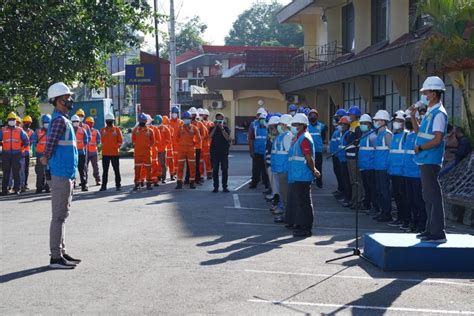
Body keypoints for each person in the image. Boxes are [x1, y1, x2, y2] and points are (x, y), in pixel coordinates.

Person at [40, 82, 80, 269]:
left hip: (66, 173)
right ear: (57, 101)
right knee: (58, 216)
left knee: (62, 215)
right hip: (61, 174)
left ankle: (61, 252)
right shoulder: (59, 121)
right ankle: (55, 257)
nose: (69, 100)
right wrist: (45, 159)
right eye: (66, 97)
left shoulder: (63, 120)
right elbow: (49, 146)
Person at [410, 76, 449, 242]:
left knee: (432, 196)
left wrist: (419, 148)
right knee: (427, 196)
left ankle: (438, 232)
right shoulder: (429, 113)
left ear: (433, 93)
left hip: (430, 159)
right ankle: (430, 229)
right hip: (424, 159)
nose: (423, 95)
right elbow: (420, 133)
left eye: (426, 92)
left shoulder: (439, 114)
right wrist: (413, 116)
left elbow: (437, 139)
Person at [286, 113, 320, 238]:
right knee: (300, 202)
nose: (293, 126)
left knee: (304, 203)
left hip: (302, 175)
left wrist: (314, 170)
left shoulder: (304, 138)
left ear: (301, 125)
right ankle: (300, 225)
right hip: (297, 174)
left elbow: (308, 157)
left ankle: (306, 228)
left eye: (295, 124)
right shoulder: (298, 137)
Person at [402, 111, 426, 233]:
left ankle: (421, 224)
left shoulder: (419, 136)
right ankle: (413, 222)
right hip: (407, 174)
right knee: (410, 200)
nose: (407, 123)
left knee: (418, 201)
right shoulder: (408, 136)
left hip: (417, 174)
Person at [387, 110, 409, 228]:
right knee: (397, 196)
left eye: (399, 121)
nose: (396, 123)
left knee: (403, 197)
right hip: (394, 171)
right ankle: (400, 218)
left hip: (402, 172)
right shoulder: (395, 136)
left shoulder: (406, 135)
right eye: (395, 121)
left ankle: (405, 219)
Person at [1, 112, 29, 195]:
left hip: (17, 154)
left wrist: (21, 150)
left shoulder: (19, 130)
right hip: (6, 154)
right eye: (10, 119)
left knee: (16, 172)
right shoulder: (3, 130)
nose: (11, 121)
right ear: (7, 120)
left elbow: (26, 141)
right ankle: (4, 190)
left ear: (15, 120)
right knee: (6, 172)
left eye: (13, 119)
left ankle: (17, 189)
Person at [372, 110, 393, 222]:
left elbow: (391, 151)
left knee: (385, 191)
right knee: (379, 190)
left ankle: (386, 213)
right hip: (378, 166)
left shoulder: (387, 134)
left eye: (377, 120)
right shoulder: (379, 134)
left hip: (384, 167)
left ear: (383, 121)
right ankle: (382, 211)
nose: (375, 122)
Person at [272, 114, 293, 222]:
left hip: (284, 169)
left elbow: (290, 154)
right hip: (280, 168)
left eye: (280, 124)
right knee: (283, 193)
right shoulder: (282, 136)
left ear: (284, 124)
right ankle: (286, 215)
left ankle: (287, 216)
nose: (278, 126)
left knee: (285, 195)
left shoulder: (287, 136)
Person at [358, 114, 378, 213]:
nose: (362, 125)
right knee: (367, 187)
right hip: (364, 166)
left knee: (372, 188)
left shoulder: (372, 136)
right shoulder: (364, 135)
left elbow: (377, 150)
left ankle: (374, 206)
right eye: (361, 123)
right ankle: (367, 204)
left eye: (364, 123)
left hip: (370, 166)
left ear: (370, 124)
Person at [175, 111, 201, 189]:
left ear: (190, 119)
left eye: (188, 118)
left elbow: (199, 139)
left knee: (192, 166)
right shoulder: (180, 128)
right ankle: (179, 182)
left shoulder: (194, 128)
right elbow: (176, 138)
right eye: (185, 119)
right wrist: (181, 144)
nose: (186, 120)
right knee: (180, 166)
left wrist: (194, 143)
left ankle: (192, 182)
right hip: (181, 149)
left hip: (191, 149)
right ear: (183, 119)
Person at [345, 105, 364, 209]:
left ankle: (358, 201)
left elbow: (358, 142)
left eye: (351, 114)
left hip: (354, 157)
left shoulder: (357, 126)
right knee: (352, 180)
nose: (349, 116)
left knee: (356, 180)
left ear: (356, 115)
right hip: (349, 156)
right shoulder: (352, 125)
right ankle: (353, 200)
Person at [100, 113, 123, 191]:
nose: (109, 122)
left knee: (116, 170)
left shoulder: (117, 130)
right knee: (105, 171)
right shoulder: (103, 130)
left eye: (110, 121)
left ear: (113, 121)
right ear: (106, 121)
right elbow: (102, 141)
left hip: (114, 154)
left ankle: (118, 185)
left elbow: (120, 141)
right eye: (108, 121)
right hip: (105, 154)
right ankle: (103, 186)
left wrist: (116, 147)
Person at [132, 113, 155, 191]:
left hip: (147, 153)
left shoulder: (150, 131)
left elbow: (153, 141)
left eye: (143, 121)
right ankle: (137, 184)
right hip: (138, 153)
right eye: (141, 121)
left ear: (146, 121)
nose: (142, 122)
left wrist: (148, 146)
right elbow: (133, 140)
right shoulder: (135, 130)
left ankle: (148, 183)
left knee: (148, 169)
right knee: (137, 169)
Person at [209, 112, 231, 192]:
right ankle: (216, 187)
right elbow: (210, 136)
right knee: (215, 169)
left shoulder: (226, 128)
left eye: (221, 119)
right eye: (218, 119)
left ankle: (225, 186)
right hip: (214, 152)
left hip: (224, 152)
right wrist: (215, 127)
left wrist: (221, 128)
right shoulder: (212, 128)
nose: (219, 121)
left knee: (224, 169)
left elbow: (227, 137)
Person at [185, 107, 207, 184]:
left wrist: (196, 141)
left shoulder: (199, 124)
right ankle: (187, 178)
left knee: (197, 164)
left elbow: (203, 134)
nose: (192, 116)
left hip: (197, 147)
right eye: (191, 114)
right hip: (189, 147)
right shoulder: (186, 124)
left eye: (194, 114)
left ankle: (197, 178)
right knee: (188, 164)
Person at [248, 109, 269, 189]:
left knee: (265, 169)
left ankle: (266, 184)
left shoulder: (269, 125)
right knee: (256, 168)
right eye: (261, 119)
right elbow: (251, 138)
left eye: (264, 119)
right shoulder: (254, 125)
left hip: (266, 151)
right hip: (257, 151)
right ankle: (254, 183)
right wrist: (251, 150)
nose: (262, 121)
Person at [329, 109, 347, 197]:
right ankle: (340, 189)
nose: (336, 120)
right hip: (335, 155)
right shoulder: (337, 130)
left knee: (342, 175)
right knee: (338, 173)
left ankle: (343, 191)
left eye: (337, 118)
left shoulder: (342, 131)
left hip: (340, 155)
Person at [32, 114, 51, 193]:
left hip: (50, 154)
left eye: (47, 122)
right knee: (40, 172)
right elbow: (34, 142)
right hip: (40, 154)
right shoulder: (37, 131)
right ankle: (39, 187)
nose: (46, 123)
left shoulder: (53, 131)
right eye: (45, 122)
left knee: (49, 171)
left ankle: (48, 187)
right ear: (42, 123)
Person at [307, 109, 326, 188]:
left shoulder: (322, 126)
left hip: (318, 150)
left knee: (318, 167)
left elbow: (324, 137)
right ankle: (309, 181)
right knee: (308, 166)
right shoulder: (306, 126)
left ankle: (319, 182)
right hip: (309, 151)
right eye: (311, 115)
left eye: (314, 115)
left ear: (317, 117)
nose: (313, 117)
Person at [71, 115, 89, 191]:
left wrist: (81, 147)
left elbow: (86, 140)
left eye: (76, 121)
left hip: (81, 153)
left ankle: (84, 185)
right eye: (74, 122)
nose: (75, 123)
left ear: (79, 122)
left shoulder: (83, 130)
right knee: (72, 170)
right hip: (72, 153)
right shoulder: (69, 130)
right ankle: (72, 185)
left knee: (82, 170)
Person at [337, 116, 352, 206]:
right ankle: (346, 196)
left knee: (347, 180)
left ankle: (348, 197)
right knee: (344, 179)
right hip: (341, 160)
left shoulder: (347, 135)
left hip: (346, 160)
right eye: (341, 124)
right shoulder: (343, 134)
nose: (341, 126)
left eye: (343, 124)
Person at [154, 115, 171, 184]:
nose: (157, 125)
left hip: (162, 149)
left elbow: (168, 139)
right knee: (156, 163)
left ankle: (163, 177)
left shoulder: (165, 129)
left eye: (158, 123)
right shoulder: (154, 128)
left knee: (163, 164)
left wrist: (162, 144)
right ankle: (158, 176)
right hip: (155, 149)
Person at [85, 116, 101, 186]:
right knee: (85, 168)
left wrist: (99, 154)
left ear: (93, 123)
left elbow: (99, 142)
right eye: (88, 123)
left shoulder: (96, 131)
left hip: (94, 153)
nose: (89, 124)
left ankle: (98, 180)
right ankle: (85, 182)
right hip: (86, 153)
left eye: (91, 123)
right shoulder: (84, 130)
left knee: (96, 168)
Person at [200, 108, 214, 180]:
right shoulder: (199, 123)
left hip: (208, 145)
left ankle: (209, 174)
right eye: (203, 115)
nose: (205, 117)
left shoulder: (210, 124)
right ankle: (201, 175)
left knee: (208, 160)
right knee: (201, 161)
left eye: (206, 115)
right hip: (200, 145)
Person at [169, 106, 182, 180]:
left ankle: (176, 173)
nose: (174, 114)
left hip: (178, 144)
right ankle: (171, 174)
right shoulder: (168, 122)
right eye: (173, 113)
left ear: (178, 113)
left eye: (175, 113)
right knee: (170, 160)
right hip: (170, 144)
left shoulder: (181, 122)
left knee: (177, 160)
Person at [21, 115, 34, 191]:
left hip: (27, 153)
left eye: (29, 122)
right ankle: (20, 184)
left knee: (26, 170)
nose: (27, 123)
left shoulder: (31, 132)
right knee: (19, 169)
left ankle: (25, 184)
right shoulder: (20, 130)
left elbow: (31, 142)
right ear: (23, 122)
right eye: (26, 122)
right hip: (20, 153)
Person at [162, 115, 175, 181]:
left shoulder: (162, 128)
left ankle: (163, 176)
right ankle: (171, 175)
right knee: (169, 162)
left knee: (164, 163)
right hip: (168, 148)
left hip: (165, 148)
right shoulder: (170, 128)